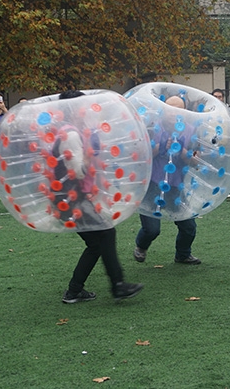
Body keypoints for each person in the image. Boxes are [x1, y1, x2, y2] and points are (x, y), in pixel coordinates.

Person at [56, 90, 143, 303]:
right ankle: (118, 286)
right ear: (74, 109)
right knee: (105, 234)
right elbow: (77, 171)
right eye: (81, 105)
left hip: (68, 198)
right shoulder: (71, 135)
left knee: (97, 242)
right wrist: (88, 157)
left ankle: (75, 290)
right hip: (72, 199)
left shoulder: (71, 131)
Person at [133, 95, 200, 265]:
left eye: (177, 110)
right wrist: (162, 147)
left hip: (175, 186)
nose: (173, 114)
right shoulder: (152, 127)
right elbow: (142, 157)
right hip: (152, 184)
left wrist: (183, 152)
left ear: (184, 113)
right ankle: (141, 245)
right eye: (169, 110)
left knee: (189, 227)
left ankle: (183, 254)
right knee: (151, 230)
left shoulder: (191, 131)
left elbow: (196, 162)